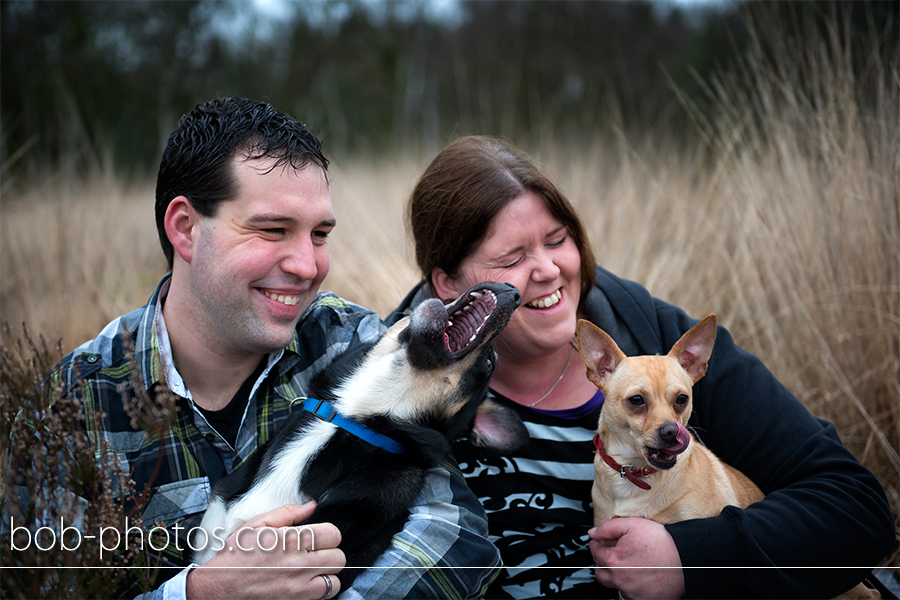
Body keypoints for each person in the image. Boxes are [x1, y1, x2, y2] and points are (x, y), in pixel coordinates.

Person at [388, 135, 896, 599]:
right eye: (511, 257)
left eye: (558, 239)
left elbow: (857, 508)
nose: (547, 270)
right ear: (449, 286)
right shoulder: (394, 394)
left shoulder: (667, 353)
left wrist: (690, 558)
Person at [42, 99, 501, 599]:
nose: (307, 266)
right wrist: (200, 594)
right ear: (185, 228)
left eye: (320, 234)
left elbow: (459, 536)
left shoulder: (352, 343)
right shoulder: (72, 404)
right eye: (273, 229)